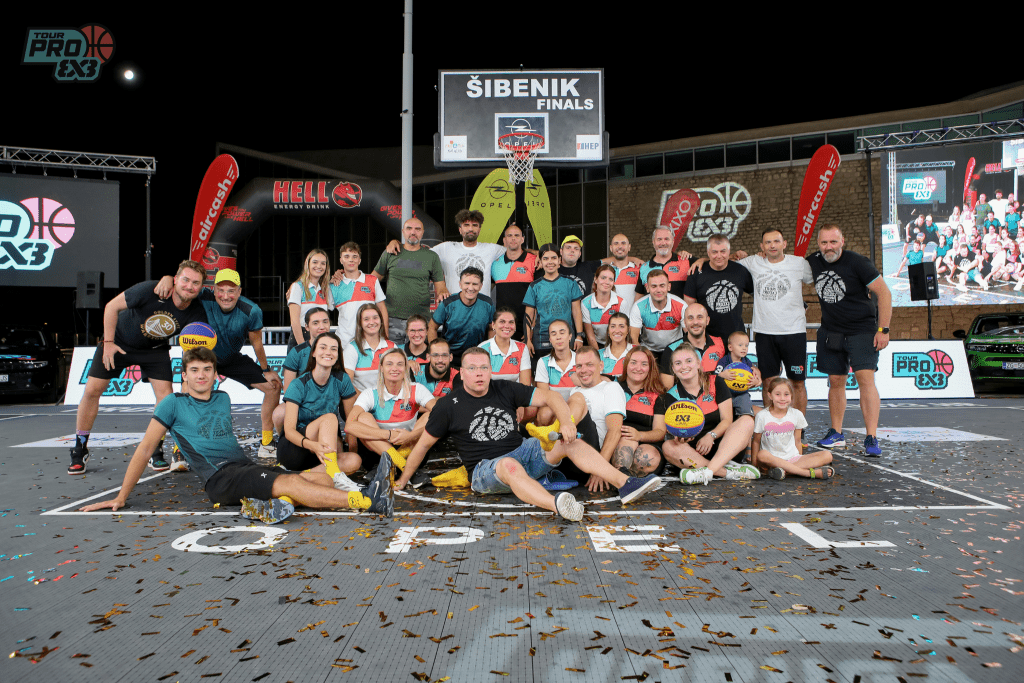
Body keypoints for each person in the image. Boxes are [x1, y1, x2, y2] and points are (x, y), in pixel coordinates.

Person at [80, 346, 393, 521]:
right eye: (194, 370)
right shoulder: (172, 404)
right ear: (184, 375)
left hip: (244, 468)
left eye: (207, 370)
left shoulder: (223, 398)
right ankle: (366, 501)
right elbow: (145, 449)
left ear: (216, 375)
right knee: (292, 482)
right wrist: (121, 496)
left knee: (323, 477)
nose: (201, 376)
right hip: (221, 477)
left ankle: (272, 503)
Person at [394, 346, 663, 520]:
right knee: (508, 465)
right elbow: (423, 445)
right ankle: (558, 505)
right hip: (485, 470)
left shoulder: (504, 388)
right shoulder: (447, 406)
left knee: (568, 441)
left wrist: (566, 422)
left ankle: (625, 483)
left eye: (484, 368)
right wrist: (403, 480)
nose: (479, 374)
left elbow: (550, 396)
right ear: (462, 373)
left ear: (490, 370)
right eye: (472, 369)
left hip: (522, 453)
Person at [68, 260, 209, 475]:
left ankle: (155, 450)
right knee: (92, 390)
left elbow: (194, 346)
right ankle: (80, 448)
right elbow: (111, 306)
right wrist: (108, 343)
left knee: (166, 398)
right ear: (176, 279)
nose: (189, 286)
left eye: (195, 283)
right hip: (119, 342)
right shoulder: (151, 290)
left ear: (201, 287)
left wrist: (194, 372)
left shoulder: (197, 311)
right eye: (185, 280)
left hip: (154, 350)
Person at [154, 268, 283, 463]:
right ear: (213, 290)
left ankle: (266, 443)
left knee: (273, 387)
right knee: (186, 397)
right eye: (221, 290)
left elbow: (256, 343)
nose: (225, 296)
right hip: (203, 358)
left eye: (231, 291)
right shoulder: (203, 296)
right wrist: (167, 278)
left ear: (239, 292)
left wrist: (266, 370)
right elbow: (184, 288)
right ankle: (180, 451)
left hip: (231, 358)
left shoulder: (251, 311)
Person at [809, 225, 892, 457]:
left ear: (842, 241)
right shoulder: (813, 262)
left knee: (865, 379)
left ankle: (871, 437)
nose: (829, 247)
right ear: (818, 243)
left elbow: (884, 293)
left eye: (833, 242)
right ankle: (836, 433)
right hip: (832, 331)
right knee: (835, 381)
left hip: (861, 330)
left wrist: (883, 329)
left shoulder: (858, 262)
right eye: (824, 243)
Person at [662, 344, 758, 485]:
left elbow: (727, 420)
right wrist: (682, 436)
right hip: (695, 453)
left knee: (746, 421)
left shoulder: (716, 381)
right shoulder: (671, 396)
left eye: (689, 361)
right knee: (668, 446)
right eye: (678, 363)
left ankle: (707, 472)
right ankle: (727, 472)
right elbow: (674, 432)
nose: (684, 366)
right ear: (673, 369)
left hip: (724, 447)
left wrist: (710, 436)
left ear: (698, 363)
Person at [280, 332, 361, 483]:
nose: (328, 352)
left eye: (333, 349)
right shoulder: (298, 384)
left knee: (354, 460)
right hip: (298, 446)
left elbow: (351, 422)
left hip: (326, 446)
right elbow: (289, 431)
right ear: (314, 353)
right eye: (323, 347)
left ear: (338, 355)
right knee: (329, 418)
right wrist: (314, 446)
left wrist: (352, 449)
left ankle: (303, 476)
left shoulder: (342, 379)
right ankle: (334, 475)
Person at [545, 346, 628, 492]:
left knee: (577, 399)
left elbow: (615, 430)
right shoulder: (575, 390)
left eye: (589, 365)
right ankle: (544, 462)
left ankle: (547, 456)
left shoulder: (611, 388)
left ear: (601, 366)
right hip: (569, 455)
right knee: (546, 411)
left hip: (592, 455)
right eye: (579, 366)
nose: (583, 370)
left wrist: (601, 469)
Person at [345, 347, 436, 476]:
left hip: (410, 450)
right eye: (389, 364)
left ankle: (391, 468)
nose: (395, 368)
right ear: (381, 368)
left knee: (431, 415)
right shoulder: (369, 394)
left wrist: (411, 436)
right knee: (363, 417)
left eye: (400, 364)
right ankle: (403, 466)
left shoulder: (417, 389)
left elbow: (441, 416)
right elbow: (349, 426)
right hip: (377, 455)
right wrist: (388, 434)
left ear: (406, 368)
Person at [372, 217, 447, 345]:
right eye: (409, 228)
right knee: (392, 355)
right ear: (403, 231)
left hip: (420, 320)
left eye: (417, 229)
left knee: (419, 356)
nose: (413, 232)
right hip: (391, 319)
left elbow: (440, 286)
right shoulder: (390, 252)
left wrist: (443, 293)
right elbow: (372, 280)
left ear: (422, 232)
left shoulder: (431, 256)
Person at [753, 377, 834, 480]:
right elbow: (756, 441)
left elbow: (798, 440)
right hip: (771, 461)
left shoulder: (797, 414)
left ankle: (783, 471)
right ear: (770, 395)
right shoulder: (762, 416)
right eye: (777, 394)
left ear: (791, 395)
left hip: (792, 459)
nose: (782, 398)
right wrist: (754, 466)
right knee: (762, 454)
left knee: (827, 455)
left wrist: (800, 459)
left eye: (786, 394)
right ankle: (807, 473)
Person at [274, 307, 334, 436]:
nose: (322, 326)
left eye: (325, 322)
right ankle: (286, 440)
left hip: (327, 404)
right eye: (316, 323)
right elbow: (288, 389)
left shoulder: (338, 350)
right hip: (301, 403)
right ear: (306, 327)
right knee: (279, 414)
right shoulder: (297, 352)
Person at [683, 235, 753, 341]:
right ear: (708, 252)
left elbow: (757, 295)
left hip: (736, 338)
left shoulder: (740, 271)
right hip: (707, 339)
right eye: (714, 252)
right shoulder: (696, 273)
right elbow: (687, 309)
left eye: (723, 251)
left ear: (729, 251)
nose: (719, 256)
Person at [614, 346, 668, 478]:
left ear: (650, 368)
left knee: (648, 457)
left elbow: (660, 431)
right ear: (626, 365)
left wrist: (639, 435)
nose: (638, 368)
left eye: (644, 364)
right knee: (627, 442)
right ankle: (622, 481)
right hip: (617, 440)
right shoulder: (613, 387)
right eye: (633, 363)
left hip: (647, 442)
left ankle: (624, 479)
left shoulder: (658, 395)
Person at [524, 243, 584, 359]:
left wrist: (579, 336)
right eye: (545, 258)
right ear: (540, 262)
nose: (550, 262)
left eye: (553, 258)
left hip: (567, 337)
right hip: (541, 339)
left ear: (559, 260)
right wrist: (527, 340)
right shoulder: (534, 286)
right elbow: (528, 315)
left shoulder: (570, 283)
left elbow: (577, 311)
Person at [430, 209, 507, 296]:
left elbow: (515, 253)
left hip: (482, 303)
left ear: (479, 229)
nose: (470, 229)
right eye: (466, 225)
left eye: (474, 225)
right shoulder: (446, 247)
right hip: (454, 303)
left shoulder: (491, 249)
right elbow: (424, 257)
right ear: (460, 229)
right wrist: (440, 285)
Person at [430, 267, 495, 366]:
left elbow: (492, 328)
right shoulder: (448, 303)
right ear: (460, 284)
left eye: (475, 284)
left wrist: (489, 352)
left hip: (477, 355)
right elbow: (431, 327)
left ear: (481, 286)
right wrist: (435, 353)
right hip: (451, 356)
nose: (470, 288)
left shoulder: (488, 303)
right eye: (467, 283)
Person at [329, 242, 387, 347]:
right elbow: (322, 310)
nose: (351, 260)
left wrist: (384, 337)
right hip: (344, 343)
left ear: (359, 260)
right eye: (346, 256)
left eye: (354, 256)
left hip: (369, 342)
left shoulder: (372, 280)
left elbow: (382, 309)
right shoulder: (334, 285)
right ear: (341, 260)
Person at [659, 302, 725, 389]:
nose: (695, 322)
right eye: (690, 318)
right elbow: (666, 389)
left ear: (707, 320)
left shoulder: (721, 343)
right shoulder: (671, 350)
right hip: (685, 397)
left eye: (700, 317)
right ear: (685, 322)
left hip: (718, 394)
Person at [490, 223, 538, 341]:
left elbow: (540, 295)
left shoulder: (534, 261)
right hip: (504, 325)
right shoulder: (495, 264)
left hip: (526, 323)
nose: (513, 238)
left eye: (517, 235)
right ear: (504, 240)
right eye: (509, 235)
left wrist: (533, 325)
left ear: (522, 239)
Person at [629, 269, 687, 359]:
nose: (658, 290)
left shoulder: (681, 306)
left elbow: (689, 335)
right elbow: (633, 338)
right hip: (648, 350)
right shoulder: (638, 307)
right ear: (647, 288)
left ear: (669, 287)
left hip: (675, 349)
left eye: (662, 286)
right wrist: (641, 357)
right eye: (654, 286)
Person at [343, 303, 397, 391]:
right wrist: (366, 399)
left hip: (388, 398)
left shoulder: (392, 347)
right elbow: (347, 385)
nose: (371, 322)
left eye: (375, 318)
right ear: (360, 323)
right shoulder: (351, 348)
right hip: (360, 398)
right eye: (366, 319)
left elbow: (400, 380)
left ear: (381, 321)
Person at [287, 249, 333, 350]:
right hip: (301, 339)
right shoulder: (297, 286)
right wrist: (303, 347)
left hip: (320, 339)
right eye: (315, 262)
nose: (319, 266)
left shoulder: (325, 290)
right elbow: (295, 321)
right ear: (307, 264)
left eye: (323, 263)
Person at [714, 330, 761, 420]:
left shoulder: (747, 362)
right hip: (725, 394)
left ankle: (743, 422)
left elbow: (754, 378)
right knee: (724, 416)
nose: (744, 348)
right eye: (740, 345)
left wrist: (755, 382)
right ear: (730, 347)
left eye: (746, 345)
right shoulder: (724, 361)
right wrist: (722, 374)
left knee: (747, 413)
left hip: (742, 394)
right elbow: (715, 375)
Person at [478, 307, 532, 385]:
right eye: (502, 322)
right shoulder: (482, 348)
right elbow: (480, 383)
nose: (507, 326)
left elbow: (525, 385)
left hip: (516, 392)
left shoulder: (522, 348)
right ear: (493, 325)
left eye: (511, 322)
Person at [635, 227, 692, 299]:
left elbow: (706, 262)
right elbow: (638, 299)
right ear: (653, 242)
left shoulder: (686, 261)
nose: (663, 243)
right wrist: (633, 259)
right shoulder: (644, 267)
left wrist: (701, 260)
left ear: (673, 241)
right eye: (659, 239)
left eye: (666, 239)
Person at [534, 320, 578, 401]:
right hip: (553, 405)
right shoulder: (543, 362)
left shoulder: (581, 360)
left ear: (570, 336)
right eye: (554, 334)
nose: (558, 337)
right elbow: (544, 397)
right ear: (550, 339)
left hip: (578, 405)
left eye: (562, 333)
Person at [581, 265, 623, 347]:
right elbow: (590, 337)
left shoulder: (621, 302)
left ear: (614, 282)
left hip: (616, 343)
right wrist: (598, 354)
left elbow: (623, 332)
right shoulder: (585, 303)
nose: (607, 282)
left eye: (611, 279)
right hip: (596, 344)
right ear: (595, 279)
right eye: (603, 278)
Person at [607, 233, 642, 315]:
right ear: (611, 248)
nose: (620, 246)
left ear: (629, 247)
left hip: (634, 320)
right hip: (611, 320)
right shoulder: (604, 271)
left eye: (623, 243)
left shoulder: (640, 269)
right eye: (616, 243)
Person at [600, 312, 634, 378]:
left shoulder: (638, 352)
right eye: (613, 326)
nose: (617, 331)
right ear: (608, 330)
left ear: (628, 330)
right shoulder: (598, 355)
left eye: (621, 326)